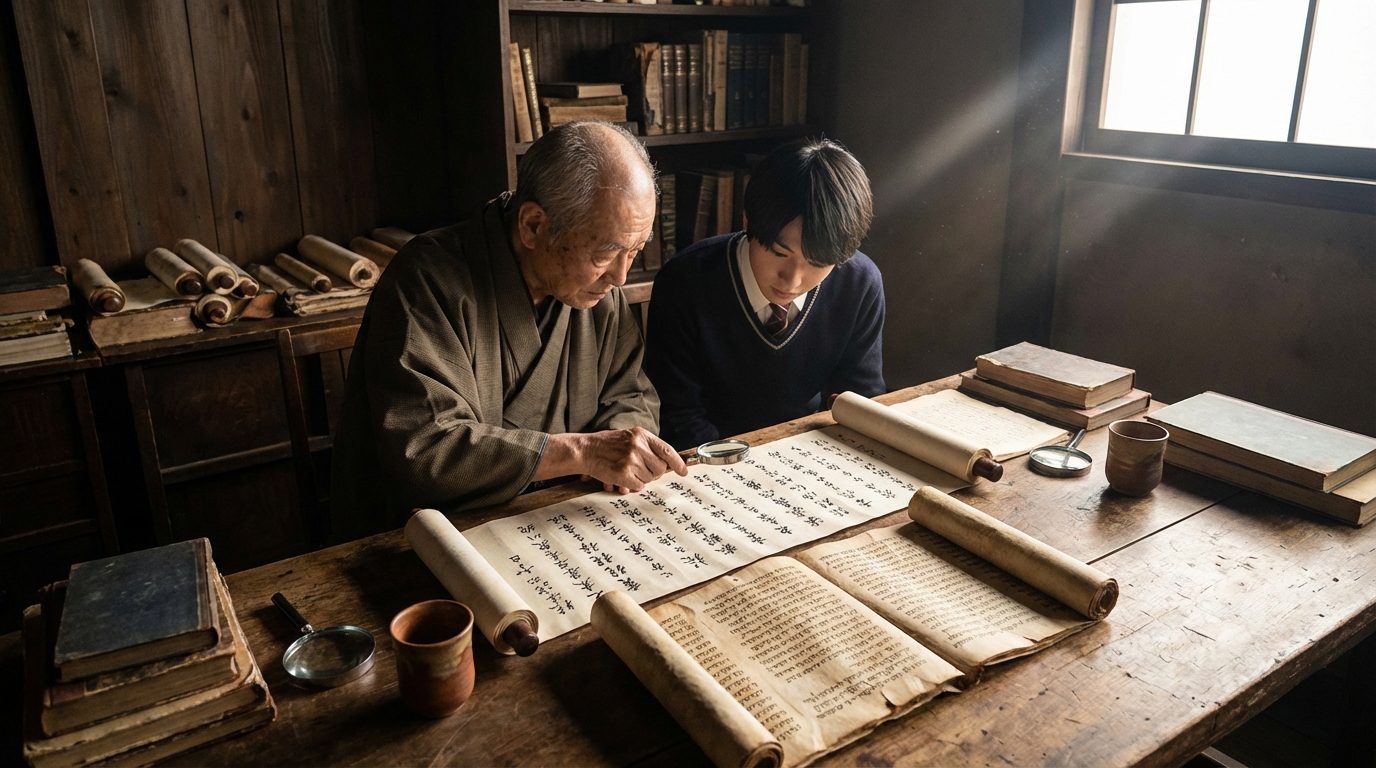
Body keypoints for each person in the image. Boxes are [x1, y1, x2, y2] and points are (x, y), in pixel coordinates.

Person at [331, 121, 687, 542]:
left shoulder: (594, 289)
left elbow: (630, 394)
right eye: (605, 252)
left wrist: (622, 454)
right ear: (533, 226)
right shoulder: (428, 279)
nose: (621, 275)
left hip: (558, 521)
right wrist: (581, 452)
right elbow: (425, 449)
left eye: (636, 250)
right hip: (429, 539)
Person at [643, 138, 883, 451]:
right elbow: (679, 417)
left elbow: (861, 401)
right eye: (779, 253)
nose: (793, 280)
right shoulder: (685, 282)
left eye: (818, 263)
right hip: (711, 460)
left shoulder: (859, 284)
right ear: (747, 221)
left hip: (808, 452)